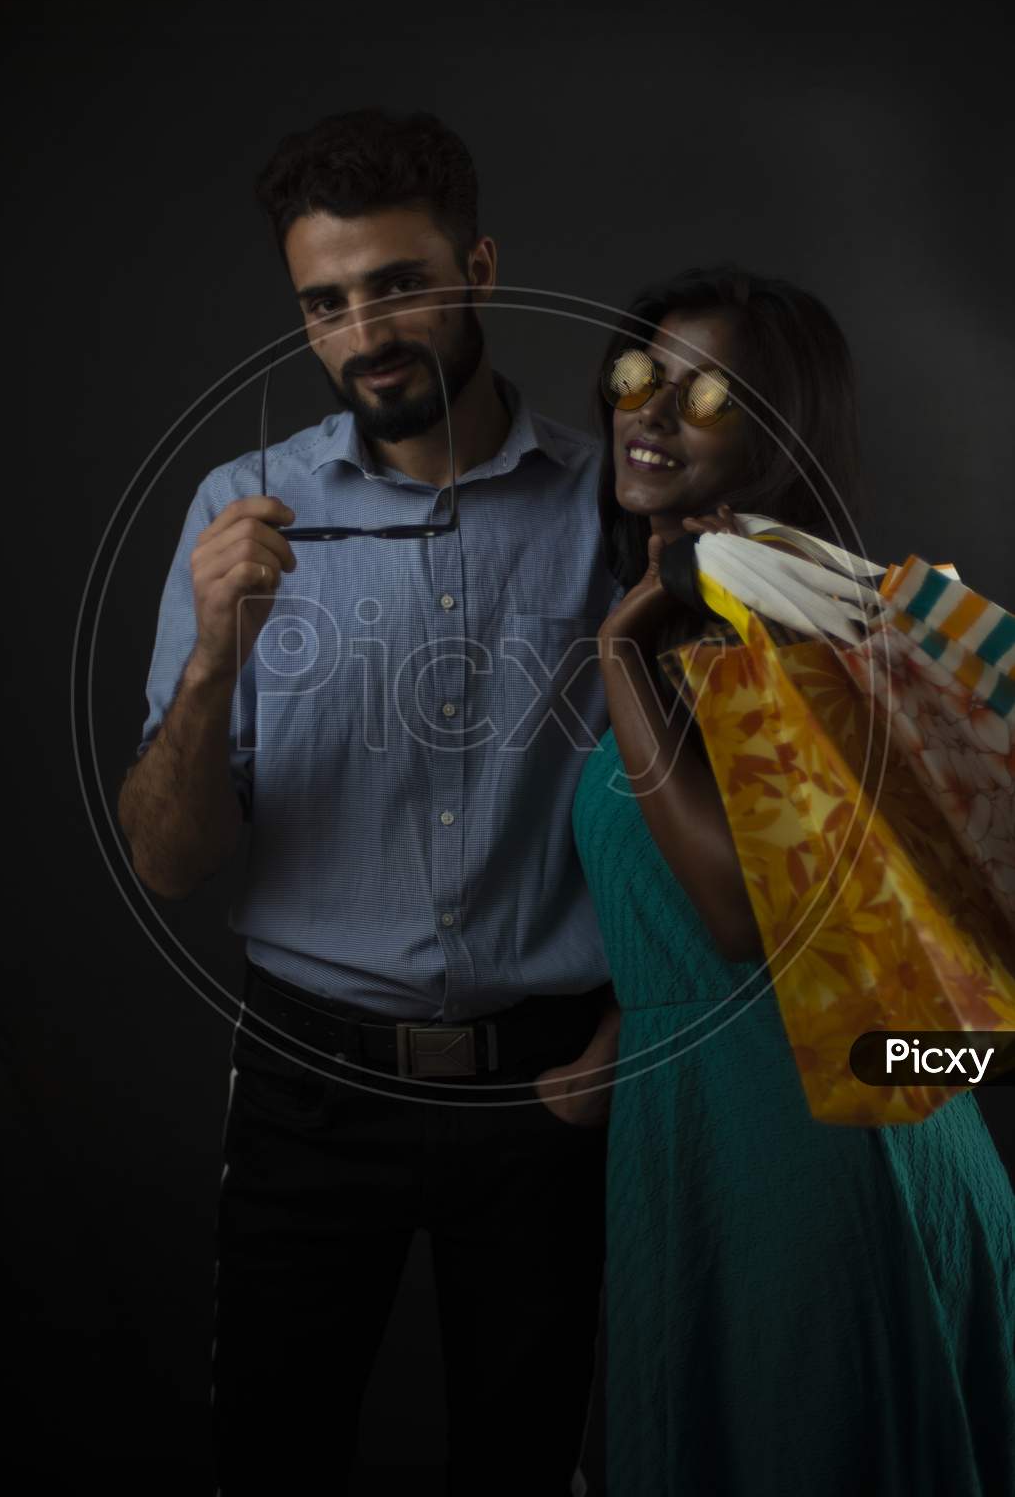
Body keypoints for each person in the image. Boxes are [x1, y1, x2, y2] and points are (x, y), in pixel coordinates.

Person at [117, 108, 623, 1496]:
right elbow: (168, 863)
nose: (364, 332)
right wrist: (218, 652)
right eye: (325, 303)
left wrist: (619, 1039)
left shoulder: (606, 512)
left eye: (397, 283)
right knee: (271, 1461)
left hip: (545, 1097)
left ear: (479, 266)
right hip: (307, 1090)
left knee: (525, 1467)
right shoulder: (238, 509)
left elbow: (723, 811)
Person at [555, 266, 1015, 1495]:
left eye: (703, 396)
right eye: (637, 379)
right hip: (728, 1127)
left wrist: (612, 650)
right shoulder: (705, 610)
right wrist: (624, 1027)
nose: (646, 416)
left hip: (812, 1160)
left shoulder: (769, 613)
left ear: (776, 434)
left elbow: (732, 910)